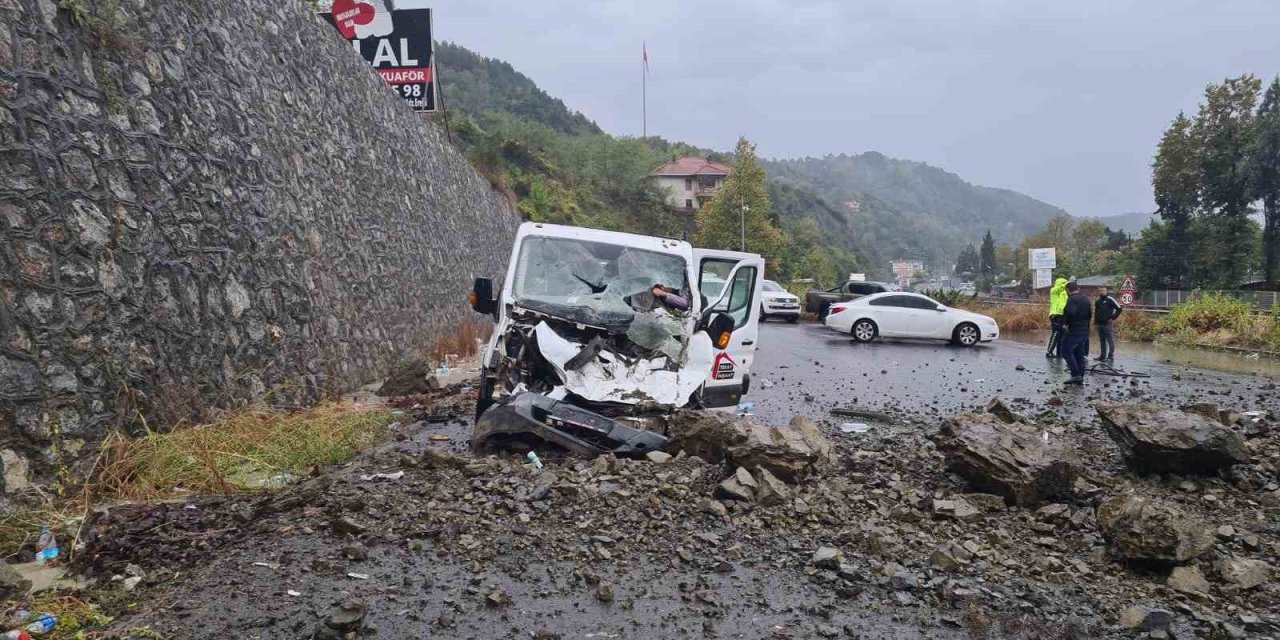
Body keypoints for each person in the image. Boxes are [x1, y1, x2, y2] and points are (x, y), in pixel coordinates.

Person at [1059, 281, 1093, 385]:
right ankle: (1080, 376)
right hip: (1085, 330)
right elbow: (1090, 314)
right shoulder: (1085, 299)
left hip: (1074, 329)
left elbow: (1070, 312)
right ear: (1077, 288)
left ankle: (1075, 374)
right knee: (1079, 353)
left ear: (1068, 290)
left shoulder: (1071, 299)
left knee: (1065, 351)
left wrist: (1065, 323)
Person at [1094, 286, 1123, 361]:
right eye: (1100, 291)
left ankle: (1110, 356)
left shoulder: (1110, 299)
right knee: (1102, 341)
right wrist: (1095, 322)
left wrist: (1113, 318)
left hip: (1107, 324)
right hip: (1099, 324)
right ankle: (1102, 356)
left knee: (1110, 340)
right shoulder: (1098, 301)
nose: (1102, 292)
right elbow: (1096, 312)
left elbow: (1119, 309)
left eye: (1103, 290)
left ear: (1107, 291)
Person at [1045, 277, 1068, 358]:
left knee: (1062, 334)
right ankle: (1049, 351)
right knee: (1056, 333)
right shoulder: (1054, 290)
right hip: (1056, 314)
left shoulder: (1064, 292)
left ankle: (1059, 353)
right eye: (1064, 283)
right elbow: (1058, 289)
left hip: (1062, 314)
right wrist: (1065, 284)